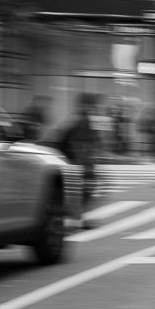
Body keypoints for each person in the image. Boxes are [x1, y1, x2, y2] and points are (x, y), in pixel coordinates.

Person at [51, 94, 101, 225]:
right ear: (85, 106)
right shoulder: (81, 122)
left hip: (79, 163)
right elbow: (77, 144)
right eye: (92, 106)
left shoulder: (83, 121)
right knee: (81, 191)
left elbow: (90, 142)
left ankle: (75, 217)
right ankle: (73, 218)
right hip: (76, 163)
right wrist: (84, 163)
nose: (94, 109)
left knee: (84, 190)